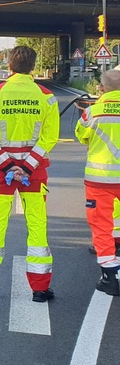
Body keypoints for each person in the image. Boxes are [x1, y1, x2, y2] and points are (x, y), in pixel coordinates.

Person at [0, 45, 60, 302]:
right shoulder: (47, 97)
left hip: (1, 172)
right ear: (33, 66)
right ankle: (40, 289)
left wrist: (9, 166)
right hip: (35, 172)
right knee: (37, 227)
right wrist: (28, 166)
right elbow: (49, 137)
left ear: (9, 65)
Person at [75, 68, 120, 295]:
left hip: (100, 179)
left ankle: (109, 278)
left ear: (101, 88)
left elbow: (81, 135)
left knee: (102, 227)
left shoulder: (93, 112)